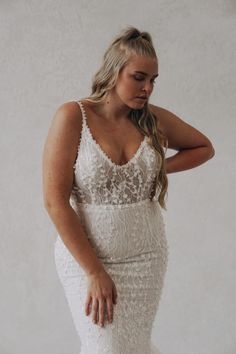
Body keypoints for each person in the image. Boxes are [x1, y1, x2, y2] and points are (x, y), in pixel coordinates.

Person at [42, 26, 215, 354]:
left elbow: (204, 147)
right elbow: (54, 202)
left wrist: (158, 169)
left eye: (153, 80)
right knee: (104, 347)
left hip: (146, 257)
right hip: (87, 260)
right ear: (113, 71)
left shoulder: (153, 120)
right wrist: (94, 272)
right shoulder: (72, 117)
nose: (148, 88)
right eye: (139, 77)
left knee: (132, 347)